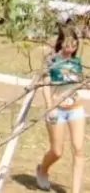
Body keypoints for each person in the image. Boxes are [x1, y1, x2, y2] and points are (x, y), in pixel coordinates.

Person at [35, 27, 85, 192]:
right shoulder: (52, 61)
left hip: (76, 108)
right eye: (68, 44)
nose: (71, 48)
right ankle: (42, 170)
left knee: (78, 149)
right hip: (57, 109)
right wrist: (50, 108)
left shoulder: (77, 62)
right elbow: (46, 86)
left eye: (74, 44)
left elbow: (80, 82)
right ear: (61, 43)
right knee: (57, 152)